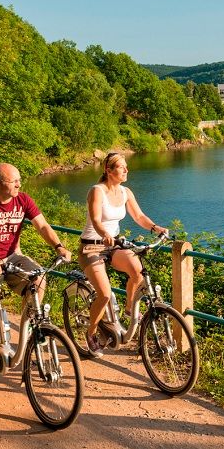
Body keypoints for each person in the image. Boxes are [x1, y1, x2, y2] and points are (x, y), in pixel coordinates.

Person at [0, 163, 71, 387]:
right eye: (13, 181)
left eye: (19, 180)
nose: (18, 184)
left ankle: (29, 325)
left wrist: (59, 246)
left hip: (12, 257)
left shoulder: (23, 200)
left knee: (40, 277)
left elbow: (42, 226)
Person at [79, 152, 167, 357]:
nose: (126, 170)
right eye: (121, 167)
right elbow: (96, 220)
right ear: (108, 171)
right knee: (105, 294)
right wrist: (104, 234)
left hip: (114, 245)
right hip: (91, 246)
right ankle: (91, 333)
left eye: (126, 166)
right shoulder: (97, 191)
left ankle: (129, 310)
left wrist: (156, 228)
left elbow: (139, 216)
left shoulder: (126, 192)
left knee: (137, 270)